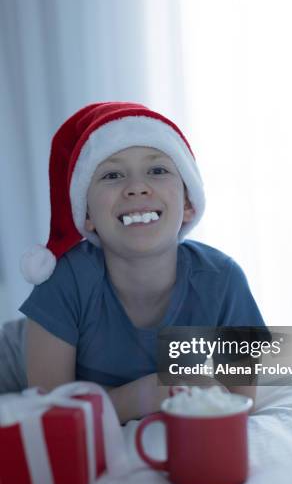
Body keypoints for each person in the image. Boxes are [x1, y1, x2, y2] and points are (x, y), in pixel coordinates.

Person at [18, 102, 265, 423]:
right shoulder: (66, 280)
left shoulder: (222, 279)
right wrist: (152, 392)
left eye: (158, 170)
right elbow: (51, 413)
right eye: (112, 174)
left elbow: (241, 400)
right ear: (87, 215)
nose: (136, 187)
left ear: (189, 203)